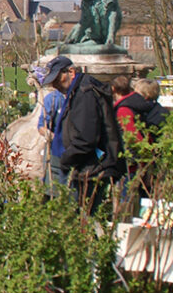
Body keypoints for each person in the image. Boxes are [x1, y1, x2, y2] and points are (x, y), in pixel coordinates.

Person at [43, 55, 126, 211]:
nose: (55, 85)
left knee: (79, 219)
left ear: (71, 72)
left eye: (57, 80)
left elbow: (86, 137)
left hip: (89, 169)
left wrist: (67, 160)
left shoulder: (84, 93)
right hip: (86, 167)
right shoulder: (78, 91)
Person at [37, 88, 65, 191]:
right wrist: (51, 135)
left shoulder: (81, 98)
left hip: (75, 152)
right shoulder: (53, 99)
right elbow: (41, 126)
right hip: (56, 152)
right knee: (52, 189)